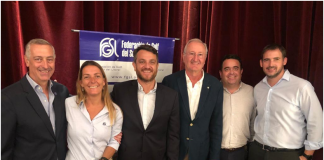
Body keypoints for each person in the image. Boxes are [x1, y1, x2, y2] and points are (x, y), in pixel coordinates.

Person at [248, 44, 323, 160]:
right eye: (266, 60)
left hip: (287, 154)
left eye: (276, 59)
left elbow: (316, 121)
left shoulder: (302, 86)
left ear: (284, 61)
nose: (271, 64)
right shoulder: (258, 88)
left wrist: (307, 155)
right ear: (261, 63)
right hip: (257, 151)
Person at [1, 38, 70, 160]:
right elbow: (3, 150)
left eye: (49, 60)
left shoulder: (62, 91)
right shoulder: (7, 98)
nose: (45, 65)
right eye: (38, 59)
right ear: (27, 61)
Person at [111, 44, 180, 160]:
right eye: (142, 61)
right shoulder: (120, 91)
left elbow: (173, 136)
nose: (147, 66)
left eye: (152, 62)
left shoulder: (171, 96)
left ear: (157, 66)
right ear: (134, 65)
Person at [162, 38, 223, 160]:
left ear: (205, 58)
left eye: (200, 54)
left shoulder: (215, 85)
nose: (196, 58)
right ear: (184, 57)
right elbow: (163, 121)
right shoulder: (169, 82)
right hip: (174, 152)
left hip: (201, 153)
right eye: (191, 54)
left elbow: (216, 126)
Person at [65, 61, 123, 160]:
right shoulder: (69, 104)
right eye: (87, 77)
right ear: (81, 83)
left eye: (97, 76)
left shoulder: (115, 110)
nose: (92, 80)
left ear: (104, 81)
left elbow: (114, 141)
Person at [218, 54, 256, 160]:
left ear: (241, 71)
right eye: (227, 69)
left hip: (242, 152)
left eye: (235, 68)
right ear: (220, 73)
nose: (231, 72)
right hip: (216, 152)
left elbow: (253, 122)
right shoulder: (212, 91)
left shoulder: (251, 92)